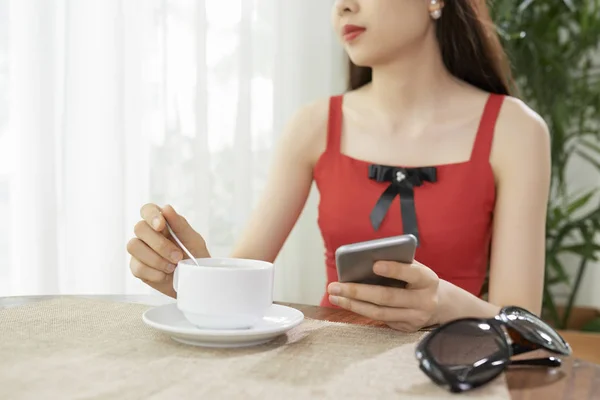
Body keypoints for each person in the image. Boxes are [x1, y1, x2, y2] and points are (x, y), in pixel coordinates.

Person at [126, 0, 550, 333]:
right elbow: (239, 293)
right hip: (327, 374)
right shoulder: (312, 125)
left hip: (452, 373)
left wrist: (443, 305)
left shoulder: (516, 131)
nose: (343, 6)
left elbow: (524, 329)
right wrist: (188, 274)